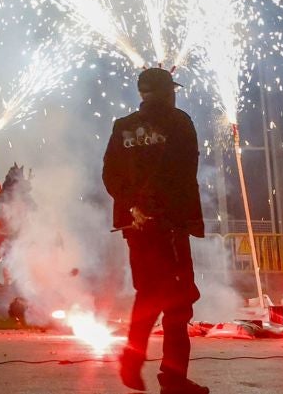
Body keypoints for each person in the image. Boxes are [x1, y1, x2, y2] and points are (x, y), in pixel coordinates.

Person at [102, 66, 206, 394]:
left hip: (137, 226)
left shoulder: (122, 127)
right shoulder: (180, 122)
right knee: (178, 304)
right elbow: (185, 172)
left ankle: (133, 358)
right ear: (167, 92)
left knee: (147, 292)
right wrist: (159, 209)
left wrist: (134, 207)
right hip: (170, 225)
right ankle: (172, 380)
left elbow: (110, 175)